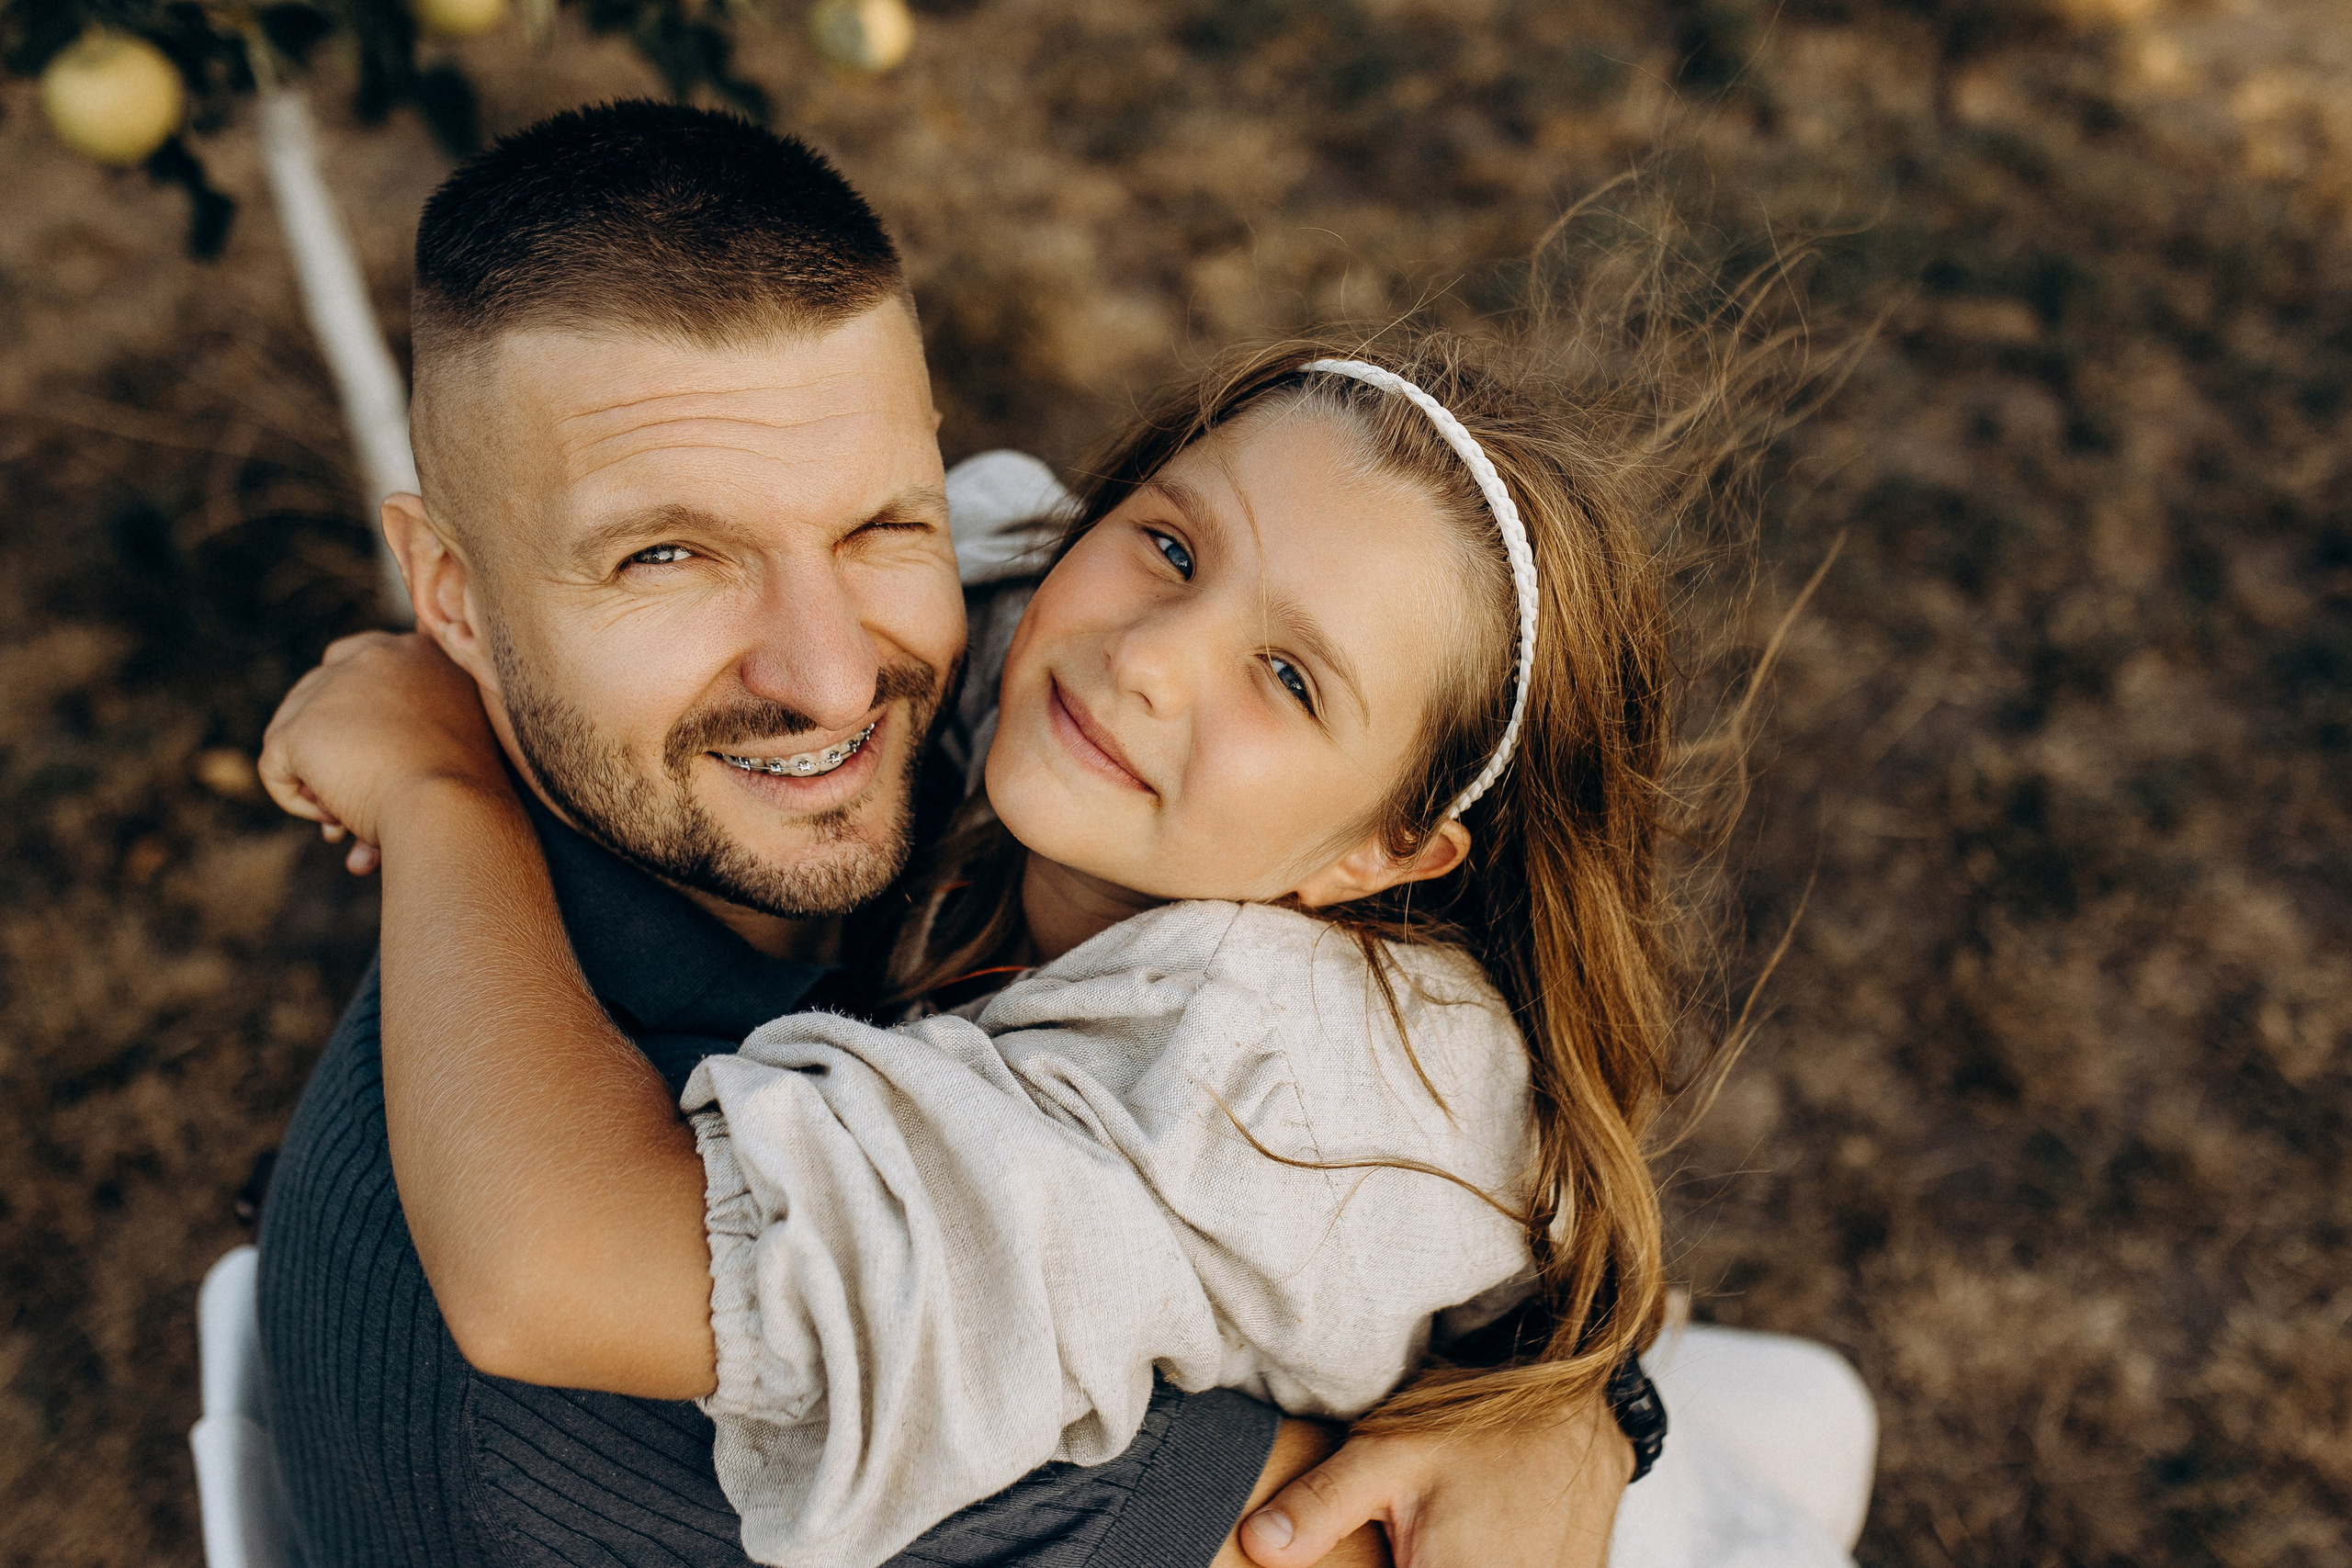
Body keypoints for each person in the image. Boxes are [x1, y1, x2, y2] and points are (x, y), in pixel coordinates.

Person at [250, 100, 1646, 1568]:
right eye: (668, 554)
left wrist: (1580, 1406)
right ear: (454, 600)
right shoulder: (667, 1401)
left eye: (879, 528)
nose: (836, 679)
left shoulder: (1242, 1037)